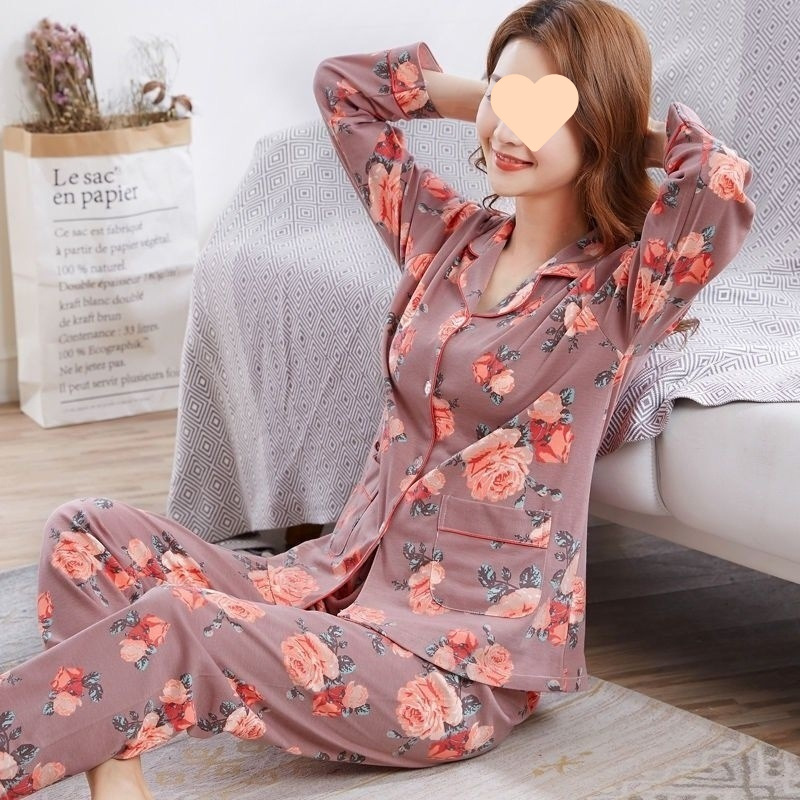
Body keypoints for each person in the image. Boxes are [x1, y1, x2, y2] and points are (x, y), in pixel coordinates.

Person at [0, 0, 755, 796]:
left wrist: (618, 131)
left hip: (452, 663)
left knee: (180, 625)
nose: (509, 129)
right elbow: (344, 90)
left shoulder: (620, 296)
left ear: (596, 126)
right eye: (503, 96)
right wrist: (494, 100)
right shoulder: (447, 238)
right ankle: (115, 765)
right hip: (332, 586)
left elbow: (721, 181)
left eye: (546, 110)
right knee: (81, 532)